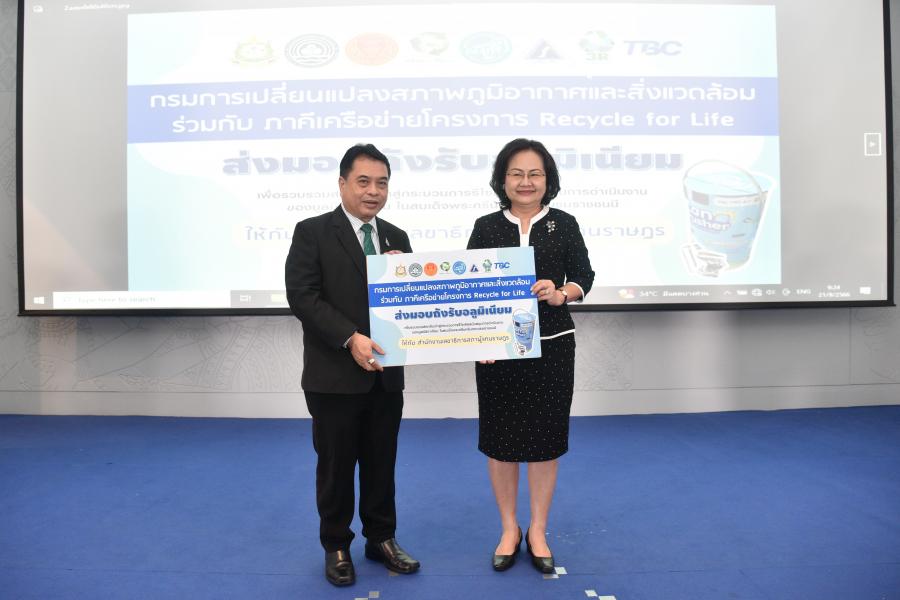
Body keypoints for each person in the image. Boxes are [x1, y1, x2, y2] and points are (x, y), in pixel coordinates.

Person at [285, 143, 420, 587]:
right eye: (363, 181)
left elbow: (408, 307)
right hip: (334, 376)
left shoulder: (398, 237)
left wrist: (409, 278)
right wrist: (350, 337)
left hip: (386, 377)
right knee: (336, 467)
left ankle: (381, 539)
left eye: (382, 183)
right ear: (342, 183)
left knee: (382, 463)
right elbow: (303, 296)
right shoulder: (312, 232)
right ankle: (336, 545)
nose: (373, 191)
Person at [467, 138, 595, 573]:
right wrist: (480, 339)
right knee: (500, 442)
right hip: (498, 352)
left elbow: (584, 276)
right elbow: (470, 290)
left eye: (535, 173)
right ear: (502, 180)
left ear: (547, 179)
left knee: (545, 442)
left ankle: (538, 530)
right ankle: (509, 528)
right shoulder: (486, 227)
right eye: (517, 174)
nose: (526, 182)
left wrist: (561, 293)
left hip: (553, 347)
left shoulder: (564, 223)